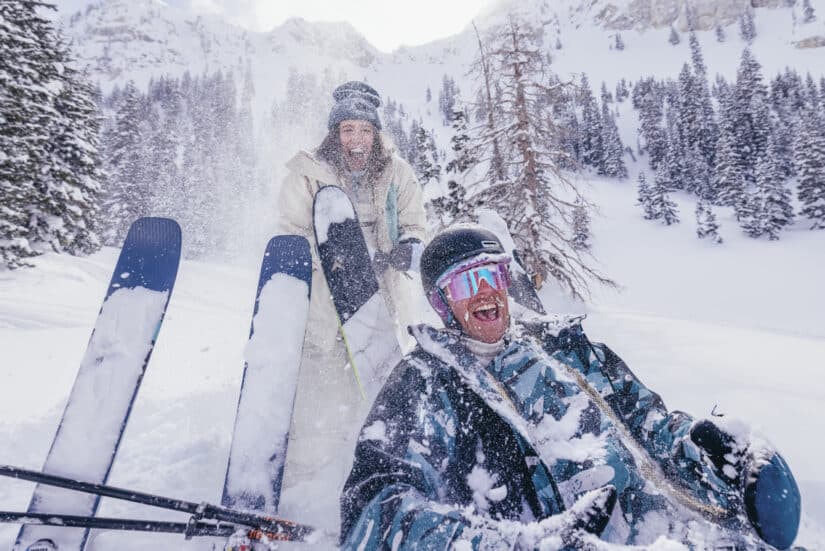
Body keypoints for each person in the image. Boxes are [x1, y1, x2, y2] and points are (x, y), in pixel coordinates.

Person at [340, 226, 801, 549]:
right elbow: (373, 509)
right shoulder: (429, 381)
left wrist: (716, 458)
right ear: (442, 303)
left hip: (681, 532)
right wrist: (516, 546)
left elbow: (649, 422)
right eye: (465, 283)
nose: (485, 293)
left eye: (492, 275)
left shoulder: (567, 349)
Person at [273, 81, 427, 534]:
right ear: (333, 133)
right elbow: (288, 231)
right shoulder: (308, 173)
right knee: (315, 406)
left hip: (378, 310)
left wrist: (406, 248)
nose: (356, 139)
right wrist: (324, 257)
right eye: (346, 129)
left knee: (378, 404)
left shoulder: (398, 174)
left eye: (364, 129)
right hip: (322, 312)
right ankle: (295, 501)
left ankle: (376, 498)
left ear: (376, 133)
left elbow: (416, 225)